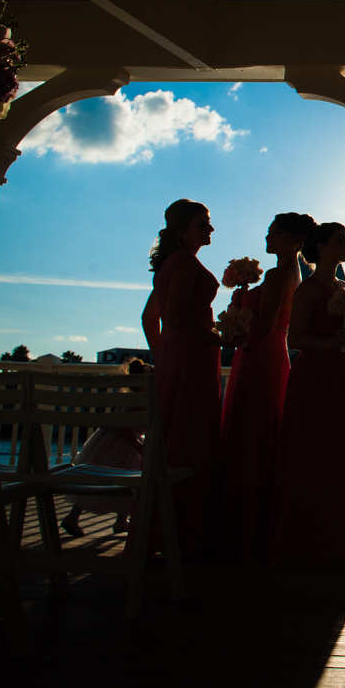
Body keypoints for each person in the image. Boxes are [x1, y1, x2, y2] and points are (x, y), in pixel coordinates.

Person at [267, 222, 345, 562]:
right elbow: (296, 340)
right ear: (321, 248)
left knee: (338, 451)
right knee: (314, 451)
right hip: (315, 377)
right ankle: (308, 538)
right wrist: (333, 342)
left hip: (342, 373)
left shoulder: (344, 287)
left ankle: (337, 536)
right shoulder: (310, 290)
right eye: (340, 241)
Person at [216, 212, 317, 559]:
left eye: (276, 233)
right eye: (269, 232)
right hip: (269, 355)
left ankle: (244, 528)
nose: (268, 237)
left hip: (259, 355)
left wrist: (235, 311)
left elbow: (263, 325)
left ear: (296, 241)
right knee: (261, 432)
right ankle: (255, 524)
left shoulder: (278, 274)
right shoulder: (295, 273)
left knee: (251, 432)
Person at [142, 199, 222, 558]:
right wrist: (220, 338)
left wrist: (163, 356)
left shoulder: (168, 265)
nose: (210, 229)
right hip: (192, 355)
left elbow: (150, 318)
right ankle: (185, 534)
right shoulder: (186, 263)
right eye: (203, 224)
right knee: (190, 434)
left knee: (173, 434)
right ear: (183, 229)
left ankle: (161, 531)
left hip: (177, 356)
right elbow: (175, 319)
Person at [60, 359, 151, 538]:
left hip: (113, 442)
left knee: (102, 480)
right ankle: (110, 520)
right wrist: (139, 447)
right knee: (127, 481)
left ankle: (112, 520)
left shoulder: (131, 398)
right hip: (123, 445)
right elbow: (124, 429)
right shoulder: (138, 402)